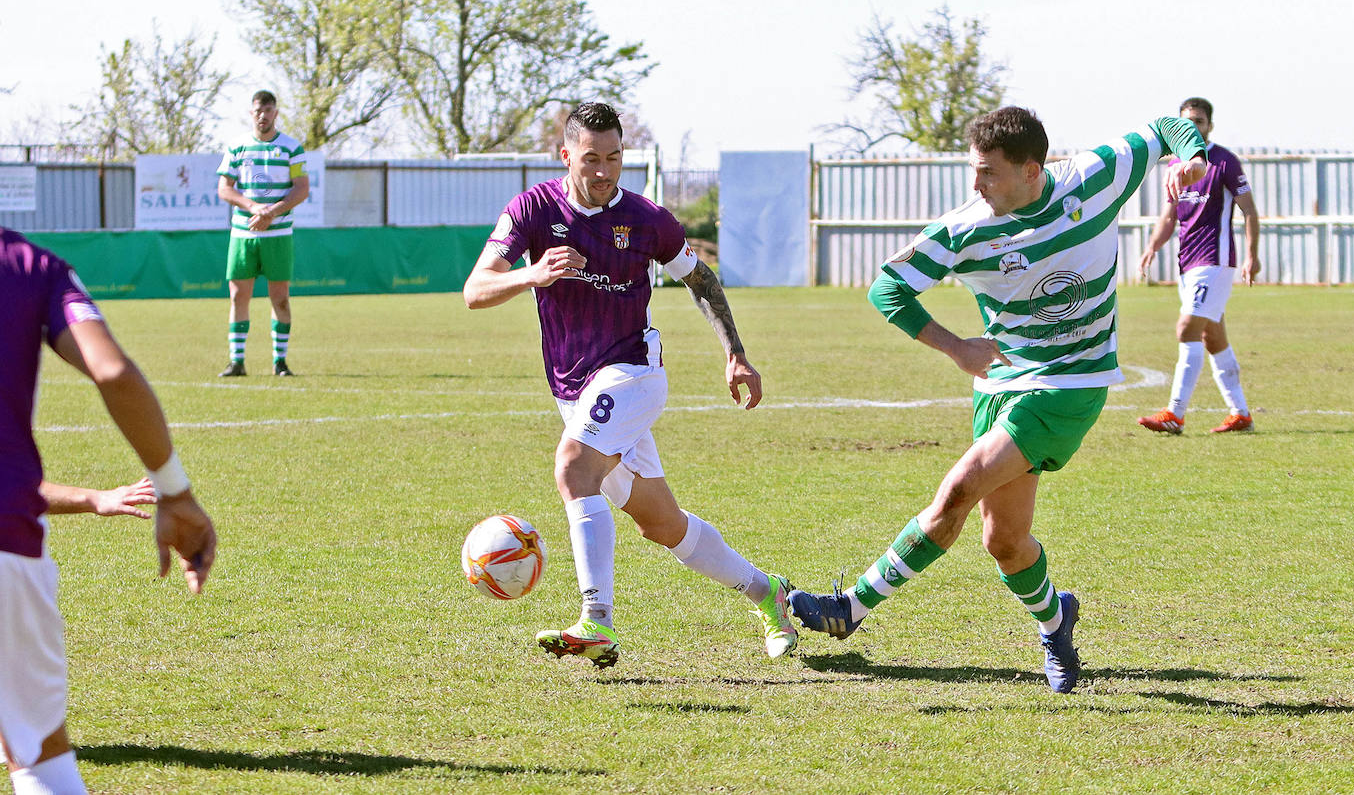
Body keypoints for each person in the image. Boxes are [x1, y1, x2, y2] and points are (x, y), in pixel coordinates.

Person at [787, 107, 1210, 693]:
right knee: (1003, 541)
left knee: (958, 488)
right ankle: (1057, 623)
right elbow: (887, 288)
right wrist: (956, 346)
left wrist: (1191, 156)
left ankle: (849, 608)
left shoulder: (1094, 176)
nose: (976, 185)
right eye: (973, 171)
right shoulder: (966, 227)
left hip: (1070, 384)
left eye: (988, 173)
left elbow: (1166, 125)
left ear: (1032, 169)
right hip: (1003, 385)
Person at [462, 102, 796, 667]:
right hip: (575, 392)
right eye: (590, 158)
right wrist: (533, 273)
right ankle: (770, 593)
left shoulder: (648, 220)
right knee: (663, 525)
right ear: (564, 155)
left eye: (614, 157)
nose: (603, 171)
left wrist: (736, 354)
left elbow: (701, 280)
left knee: (573, 469)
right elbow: (476, 289)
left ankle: (597, 619)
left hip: (634, 374)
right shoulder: (531, 209)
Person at [1, 227, 217, 794]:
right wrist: (173, 490)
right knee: (38, 758)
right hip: (7, 542)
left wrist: (96, 499)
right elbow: (113, 372)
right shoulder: (30, 266)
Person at [1137, 97, 1260, 435]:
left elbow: (1249, 210)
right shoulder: (1177, 164)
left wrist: (1252, 255)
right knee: (1212, 337)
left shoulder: (1224, 162)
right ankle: (1241, 414)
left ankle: (1175, 414)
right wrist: (1150, 248)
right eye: (1187, 122)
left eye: (1199, 121)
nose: (1193, 127)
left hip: (1215, 260)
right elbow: (1169, 216)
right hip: (1188, 262)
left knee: (1186, 329)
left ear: (1210, 125)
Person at [216, 90, 310, 377]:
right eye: (258, 110)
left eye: (268, 110)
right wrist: (254, 206)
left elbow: (301, 189)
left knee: (279, 297)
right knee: (237, 296)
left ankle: (280, 362)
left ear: (275, 113)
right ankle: (237, 362)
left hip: (278, 235)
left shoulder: (291, 147)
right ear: (251, 112)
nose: (263, 115)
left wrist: (272, 211)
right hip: (243, 235)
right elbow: (225, 188)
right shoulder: (237, 147)